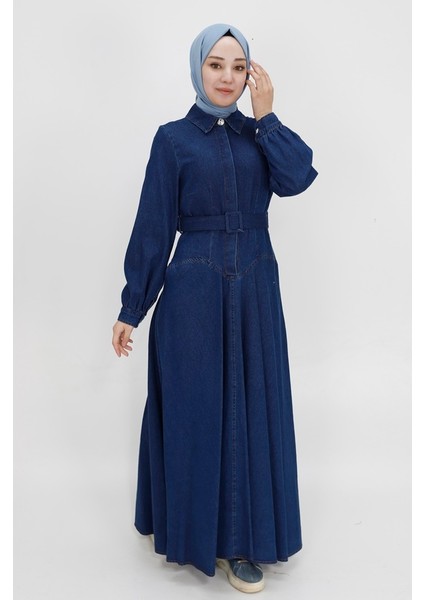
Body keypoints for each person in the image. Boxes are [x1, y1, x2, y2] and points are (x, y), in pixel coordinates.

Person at [112, 23, 318, 594]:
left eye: (238, 66)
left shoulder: (259, 136)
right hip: (193, 293)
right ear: (198, 68)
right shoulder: (173, 139)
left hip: (255, 289)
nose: (227, 77)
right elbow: (153, 225)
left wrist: (267, 117)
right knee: (195, 410)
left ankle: (244, 542)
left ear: (251, 74)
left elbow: (298, 178)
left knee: (252, 408)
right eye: (216, 65)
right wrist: (132, 307)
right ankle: (192, 531)